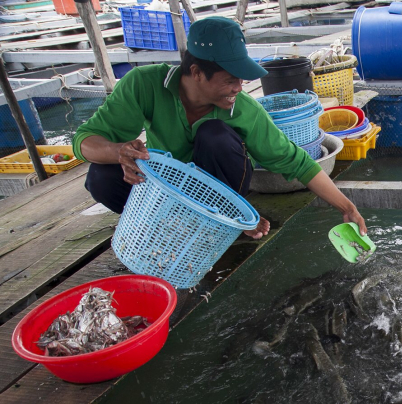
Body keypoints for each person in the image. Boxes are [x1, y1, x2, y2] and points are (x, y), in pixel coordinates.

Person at [72, 16, 367, 240]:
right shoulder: (143, 83)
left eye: (242, 80)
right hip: (167, 186)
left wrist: (346, 207)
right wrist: (118, 151)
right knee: (100, 175)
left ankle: (229, 220)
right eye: (230, 80)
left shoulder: (243, 108)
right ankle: (166, 225)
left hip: (215, 190)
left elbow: (297, 162)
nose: (239, 88)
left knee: (214, 134)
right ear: (196, 72)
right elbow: (84, 140)